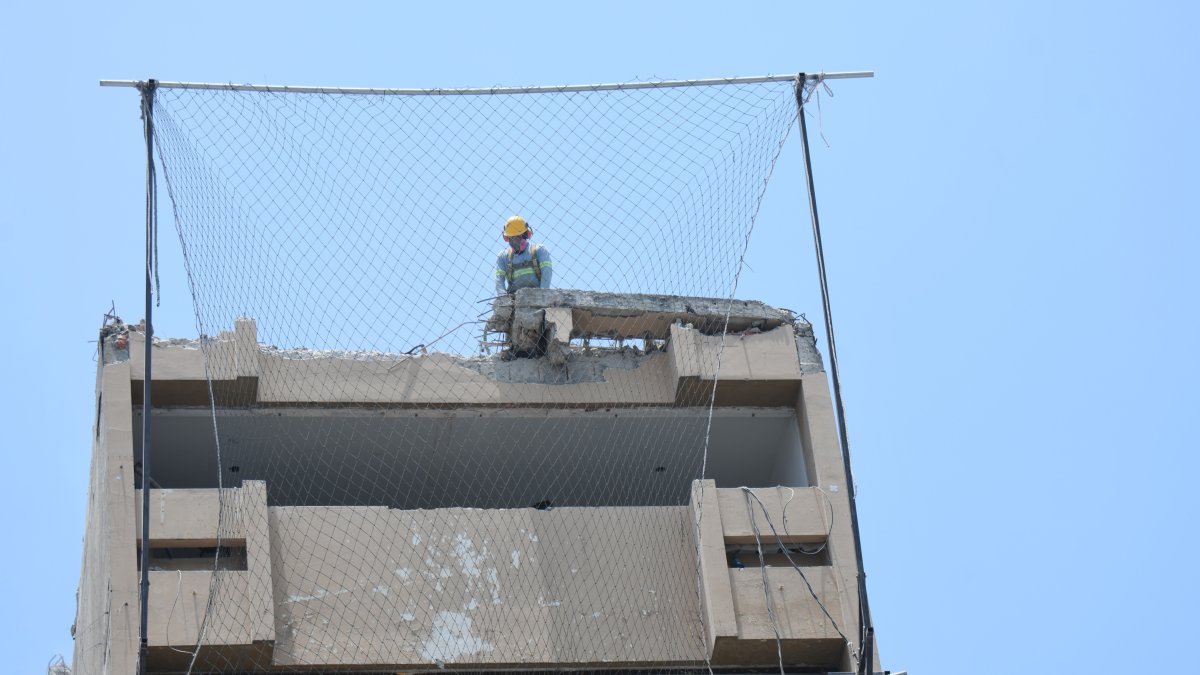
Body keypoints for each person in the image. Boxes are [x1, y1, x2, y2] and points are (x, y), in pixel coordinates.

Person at [494, 215, 552, 294]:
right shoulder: (503, 257)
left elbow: (546, 272)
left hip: (537, 294)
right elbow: (499, 280)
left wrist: (543, 294)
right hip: (514, 297)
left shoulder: (539, 250)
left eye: (518, 237)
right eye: (512, 238)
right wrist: (503, 297)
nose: (515, 241)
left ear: (525, 235)